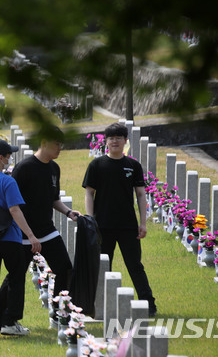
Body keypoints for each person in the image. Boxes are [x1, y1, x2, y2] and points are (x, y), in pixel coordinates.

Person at [1, 126, 81, 324]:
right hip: (23, 234)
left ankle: (59, 312)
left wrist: (69, 212)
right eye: (57, 144)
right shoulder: (25, 168)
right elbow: (13, 204)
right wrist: (28, 235)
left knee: (65, 269)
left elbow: (54, 199)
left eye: (61, 144)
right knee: (15, 276)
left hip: (47, 232)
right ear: (44, 142)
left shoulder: (54, 168)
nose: (60, 148)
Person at [82, 122, 157, 316]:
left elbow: (141, 195)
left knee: (135, 266)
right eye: (111, 138)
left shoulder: (133, 165)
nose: (114, 141)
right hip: (102, 226)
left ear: (125, 141)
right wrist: (91, 221)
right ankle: (98, 306)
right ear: (106, 141)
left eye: (118, 138)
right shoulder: (96, 165)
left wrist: (143, 223)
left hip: (128, 226)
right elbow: (89, 193)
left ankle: (148, 305)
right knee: (101, 267)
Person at [0, 139, 41, 340]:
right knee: (16, 277)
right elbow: (14, 210)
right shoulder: (8, 181)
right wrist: (30, 235)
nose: (10, 159)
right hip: (9, 238)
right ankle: (10, 320)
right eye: (9, 156)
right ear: (1, 158)